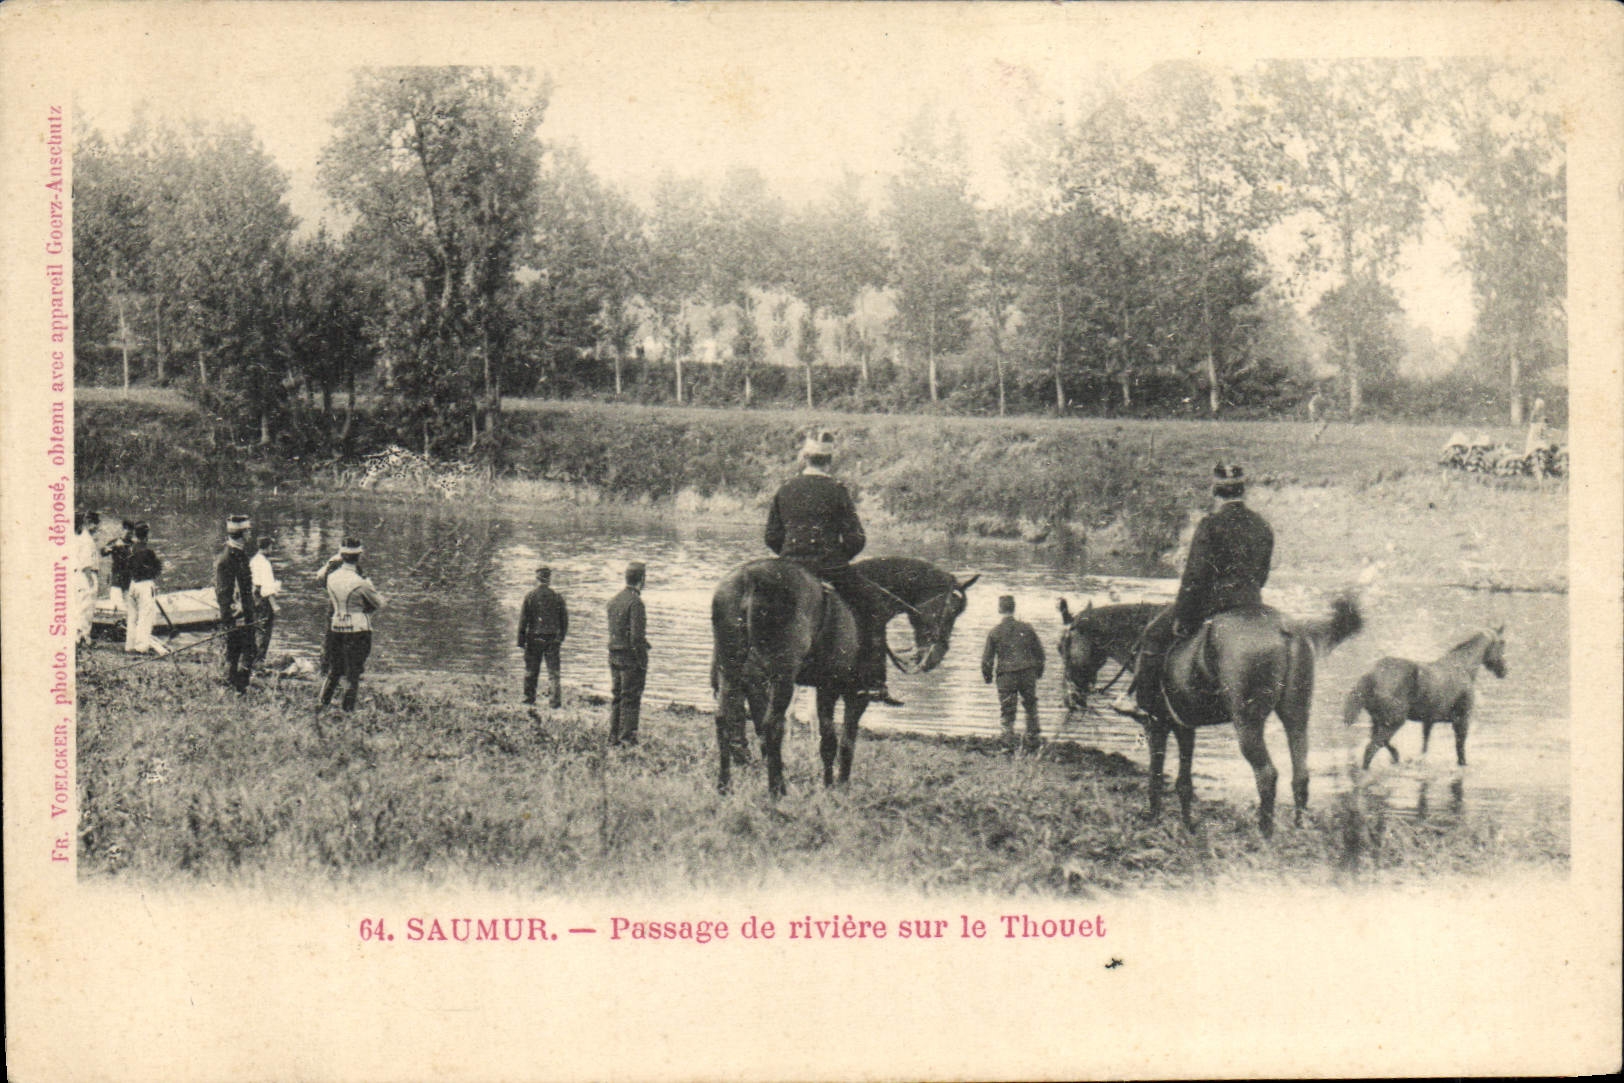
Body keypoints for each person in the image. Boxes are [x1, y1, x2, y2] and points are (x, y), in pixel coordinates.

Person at [1115, 463, 1274, 719]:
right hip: (1252, 602)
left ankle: (1143, 703)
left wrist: (1183, 616)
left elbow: (1195, 577)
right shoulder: (1262, 525)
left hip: (1215, 604)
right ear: (1243, 490)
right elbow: (1262, 574)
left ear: (1215, 491)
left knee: (1153, 634)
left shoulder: (1210, 525)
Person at [764, 428, 900, 706]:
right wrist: (838, 557)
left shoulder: (785, 488)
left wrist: (791, 556)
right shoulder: (837, 490)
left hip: (789, 566)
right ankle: (872, 682)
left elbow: (771, 537)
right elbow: (856, 539)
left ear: (804, 458)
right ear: (829, 461)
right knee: (873, 606)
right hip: (829, 566)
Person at [318, 537, 387, 712]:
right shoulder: (361, 582)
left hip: (336, 626)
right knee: (353, 672)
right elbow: (379, 603)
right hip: (358, 630)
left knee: (335, 669)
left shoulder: (331, 577)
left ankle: (322, 703)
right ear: (359, 557)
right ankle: (347, 710)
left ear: (341, 556)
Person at [981, 594, 1046, 747]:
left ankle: (1007, 742)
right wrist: (1039, 672)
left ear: (999, 609)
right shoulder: (1027, 628)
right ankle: (1033, 739)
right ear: (1014, 608)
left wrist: (987, 676)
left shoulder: (995, 632)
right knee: (1031, 705)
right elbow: (1040, 654)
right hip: (1027, 673)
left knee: (1007, 708)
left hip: (1006, 675)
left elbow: (986, 660)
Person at [606, 562, 650, 746]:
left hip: (614, 653)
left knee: (617, 697)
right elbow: (637, 637)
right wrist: (642, 660)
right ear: (642, 580)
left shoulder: (614, 600)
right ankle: (627, 739)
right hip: (629, 658)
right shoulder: (636, 603)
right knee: (631, 698)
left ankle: (613, 737)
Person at [214, 514, 258, 692]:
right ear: (243, 533)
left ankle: (237, 685)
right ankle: (236, 686)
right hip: (238, 616)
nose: (250, 534)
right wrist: (236, 617)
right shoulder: (227, 558)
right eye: (248, 531)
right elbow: (224, 593)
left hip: (243, 613)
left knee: (243, 651)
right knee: (239, 652)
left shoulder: (238, 554)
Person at [518, 565, 569, 707]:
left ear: (537, 578)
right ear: (549, 579)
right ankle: (555, 702)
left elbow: (523, 621)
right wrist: (561, 637)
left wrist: (521, 642)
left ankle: (529, 699)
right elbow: (564, 620)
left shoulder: (530, 596)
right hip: (552, 639)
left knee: (531, 670)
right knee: (553, 672)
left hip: (534, 638)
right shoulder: (557, 597)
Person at [125, 521, 167, 655]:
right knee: (145, 616)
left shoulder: (130, 549)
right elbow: (156, 569)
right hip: (144, 585)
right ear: (146, 535)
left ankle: (130, 645)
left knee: (132, 616)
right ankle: (141, 647)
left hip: (133, 584)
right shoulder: (148, 552)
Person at [249, 534, 282, 665]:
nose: (272, 550)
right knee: (265, 629)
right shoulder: (265, 563)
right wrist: (275, 605)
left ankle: (253, 657)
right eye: (271, 547)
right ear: (267, 547)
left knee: (256, 626)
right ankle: (259, 660)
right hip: (263, 598)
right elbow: (267, 588)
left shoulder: (254, 560)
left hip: (254, 596)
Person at [73, 510, 102, 645]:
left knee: (81, 605)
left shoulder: (80, 538)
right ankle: (83, 636)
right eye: (95, 524)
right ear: (89, 523)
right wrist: (90, 579)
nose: (97, 528)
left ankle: (80, 635)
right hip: (87, 574)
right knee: (86, 606)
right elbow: (86, 562)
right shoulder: (87, 540)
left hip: (81, 574)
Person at [103, 518, 136, 619]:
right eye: (126, 530)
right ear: (122, 530)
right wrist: (108, 549)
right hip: (117, 577)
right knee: (116, 601)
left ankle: (128, 620)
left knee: (129, 603)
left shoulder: (133, 545)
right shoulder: (114, 542)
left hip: (128, 578)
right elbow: (103, 551)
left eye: (130, 531)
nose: (128, 533)